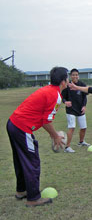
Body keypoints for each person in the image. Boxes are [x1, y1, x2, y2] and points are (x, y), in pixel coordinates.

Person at [6, 67, 68, 207]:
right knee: (32, 161)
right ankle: (33, 198)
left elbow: (43, 117)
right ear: (63, 81)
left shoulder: (48, 90)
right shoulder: (55, 95)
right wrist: (55, 136)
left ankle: (21, 191)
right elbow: (46, 121)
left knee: (21, 159)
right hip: (22, 127)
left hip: (13, 123)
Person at [61, 69, 90, 153]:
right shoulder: (67, 85)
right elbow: (62, 97)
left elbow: (85, 97)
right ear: (70, 76)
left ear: (78, 75)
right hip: (70, 110)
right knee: (72, 127)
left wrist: (84, 106)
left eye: (76, 74)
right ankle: (67, 147)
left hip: (80, 110)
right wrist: (65, 102)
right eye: (73, 75)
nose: (75, 76)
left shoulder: (81, 85)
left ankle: (81, 142)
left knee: (83, 127)